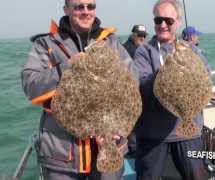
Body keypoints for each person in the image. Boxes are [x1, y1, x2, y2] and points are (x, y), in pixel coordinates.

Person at [21, 0, 133, 179]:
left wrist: (115, 129)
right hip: (62, 157)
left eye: (91, 6)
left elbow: (132, 83)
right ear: (66, 9)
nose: (86, 11)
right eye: (79, 6)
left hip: (109, 146)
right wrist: (67, 67)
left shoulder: (111, 42)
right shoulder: (45, 44)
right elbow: (30, 86)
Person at [133, 0, 212, 179]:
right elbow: (142, 86)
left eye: (168, 21)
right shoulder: (144, 51)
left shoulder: (190, 49)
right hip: (153, 135)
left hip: (189, 131)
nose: (162, 25)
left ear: (177, 22)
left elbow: (206, 76)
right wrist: (165, 72)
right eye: (158, 20)